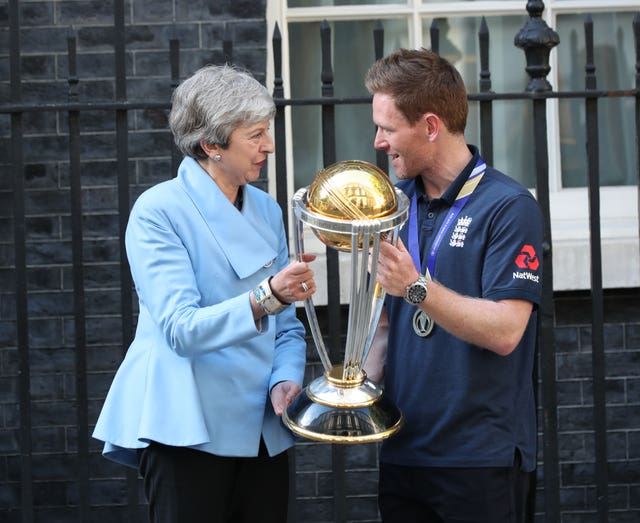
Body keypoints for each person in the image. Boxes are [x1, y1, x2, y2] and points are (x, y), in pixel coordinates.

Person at [93, 64, 316, 523]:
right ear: (211, 146)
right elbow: (180, 330)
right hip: (186, 429)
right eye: (255, 135)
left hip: (261, 428)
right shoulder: (158, 211)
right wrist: (266, 296)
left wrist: (286, 376)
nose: (269, 146)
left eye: (267, 131)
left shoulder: (267, 209)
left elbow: (287, 326)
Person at [363, 48, 544, 522]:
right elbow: (385, 324)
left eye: (387, 128)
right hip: (403, 453)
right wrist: (352, 388)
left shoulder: (508, 206)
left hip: (479, 459)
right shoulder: (394, 206)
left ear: (429, 125)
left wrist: (416, 287)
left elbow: (506, 331)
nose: (378, 141)